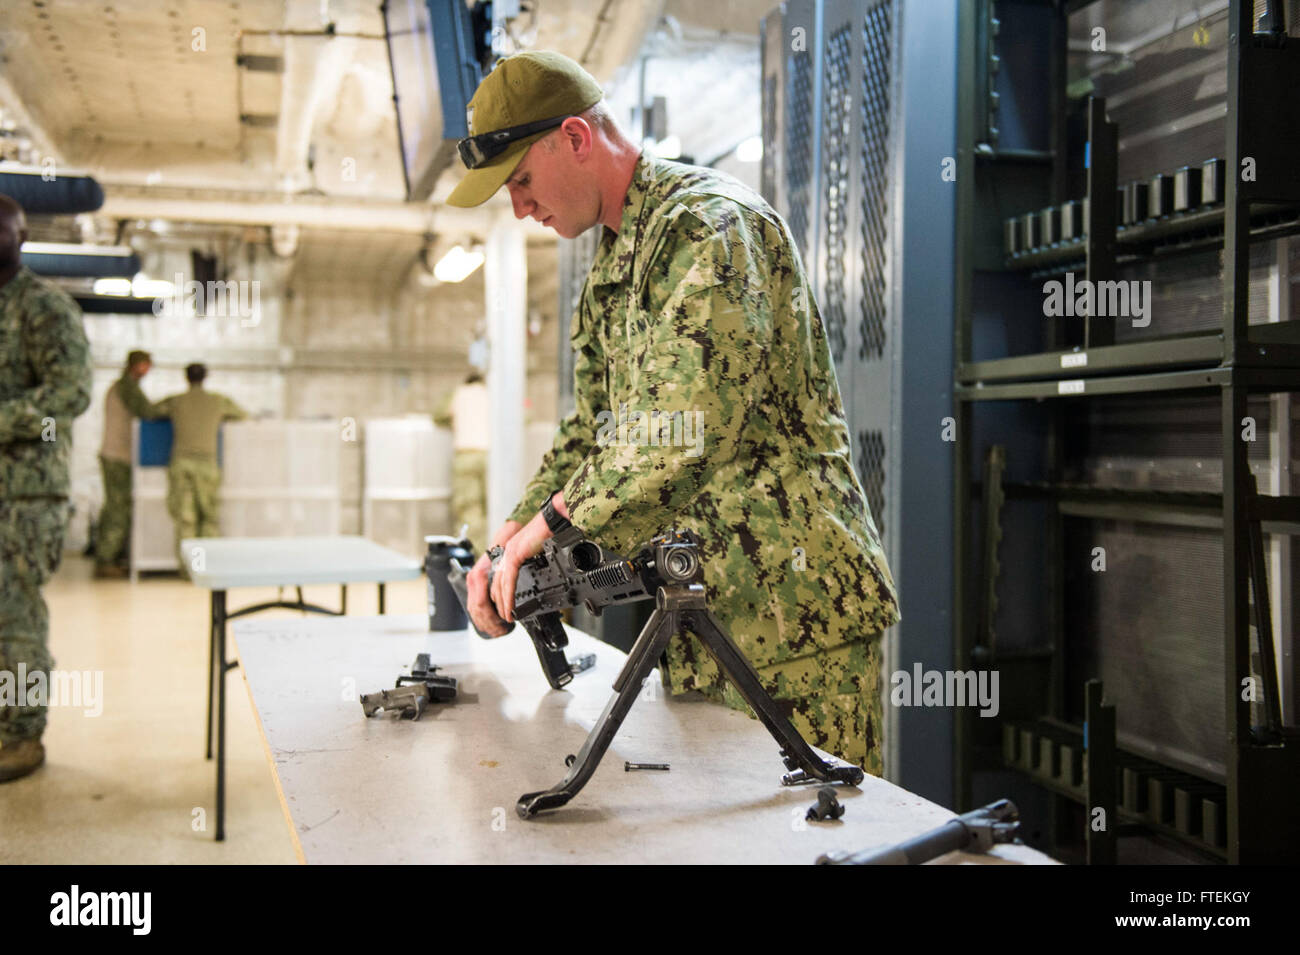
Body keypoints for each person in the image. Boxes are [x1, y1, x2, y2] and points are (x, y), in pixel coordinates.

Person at [450, 52, 901, 775]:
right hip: (699, 616)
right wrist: (508, 539)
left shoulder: (709, 229)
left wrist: (549, 527)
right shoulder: (614, 267)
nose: (520, 208)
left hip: (795, 618)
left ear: (574, 137)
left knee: (817, 833)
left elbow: (678, 426)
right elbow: (594, 432)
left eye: (522, 181)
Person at [0, 193, 93, 782]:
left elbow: (68, 394)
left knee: (15, 620)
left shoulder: (44, 308)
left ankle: (21, 734)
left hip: (25, 498)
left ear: (21, 238)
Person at [157, 363, 247, 579]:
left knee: (186, 519)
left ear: (186, 378)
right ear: (206, 377)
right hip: (207, 464)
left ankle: (190, 570)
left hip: (182, 463)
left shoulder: (175, 401)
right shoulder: (218, 401)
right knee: (208, 517)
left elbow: (150, 411)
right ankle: (207, 568)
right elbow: (242, 414)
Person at [94, 350, 164, 577]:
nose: (148, 370)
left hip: (114, 455)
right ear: (137, 365)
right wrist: (171, 407)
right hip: (118, 456)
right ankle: (106, 560)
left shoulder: (123, 386)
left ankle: (108, 556)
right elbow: (147, 411)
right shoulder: (127, 387)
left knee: (114, 506)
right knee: (118, 508)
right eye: (146, 365)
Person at [432, 371, 489, 551]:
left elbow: (438, 415)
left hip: (467, 457)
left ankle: (474, 557)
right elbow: (524, 417)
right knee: (493, 508)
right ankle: (494, 553)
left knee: (469, 510)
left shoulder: (458, 393)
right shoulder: (495, 394)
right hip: (492, 459)